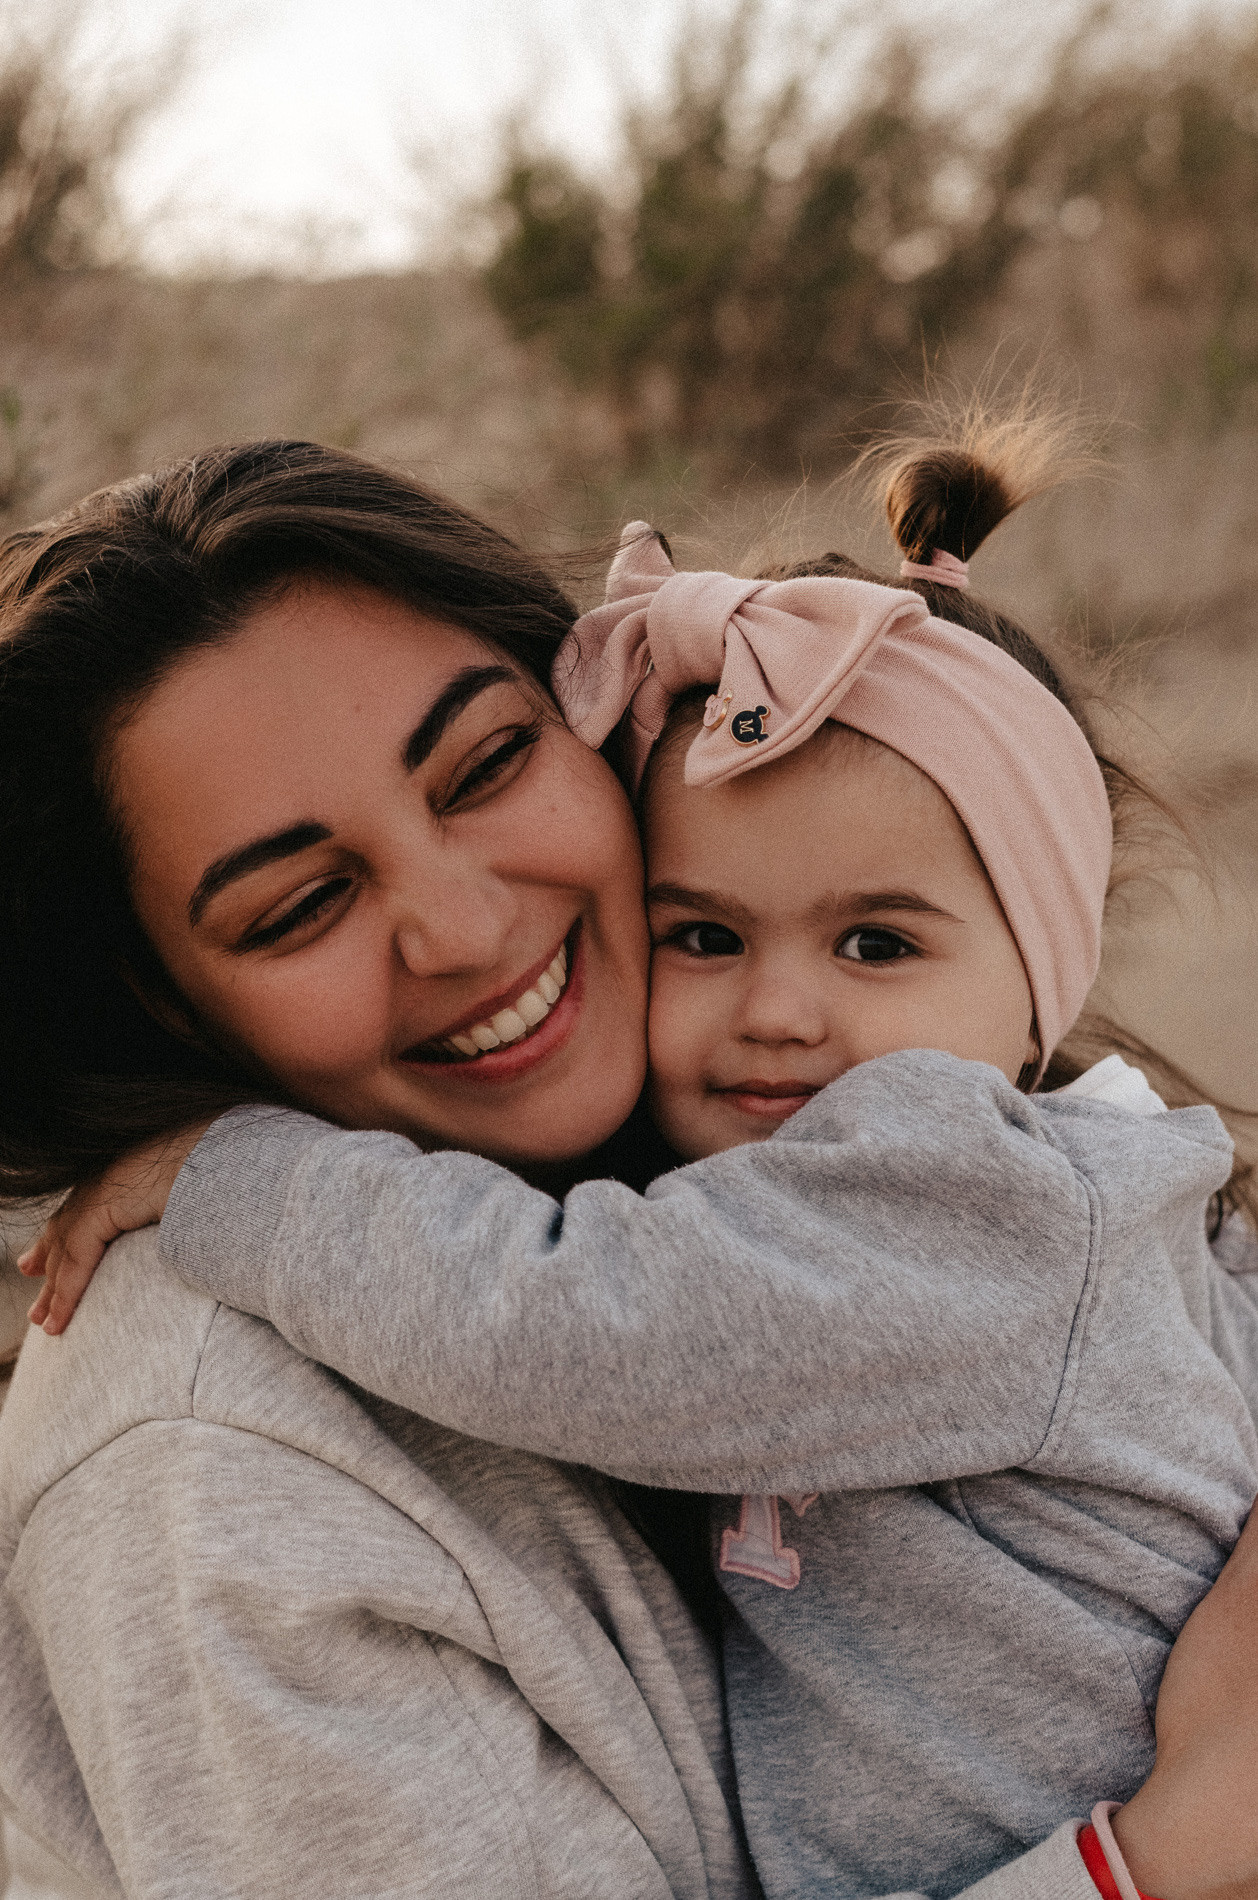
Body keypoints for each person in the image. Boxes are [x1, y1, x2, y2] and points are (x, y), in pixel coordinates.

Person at [15, 435, 1258, 1900]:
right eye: (302, 904)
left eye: (485, 764)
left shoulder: (900, 1174)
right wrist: (1149, 1864)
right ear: (163, 996)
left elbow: (589, 1320)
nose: (465, 930)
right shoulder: (206, 1476)